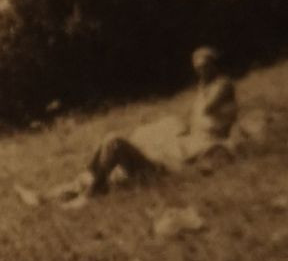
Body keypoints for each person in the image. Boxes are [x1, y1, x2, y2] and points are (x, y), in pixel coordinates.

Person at [28, 46, 242, 206]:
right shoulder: (198, 130)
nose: (201, 74)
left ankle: (89, 196)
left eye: (206, 68)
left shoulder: (214, 140)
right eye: (198, 69)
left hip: (161, 170)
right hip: (162, 159)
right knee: (109, 162)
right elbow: (199, 118)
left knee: (114, 142)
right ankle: (45, 196)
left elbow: (209, 109)